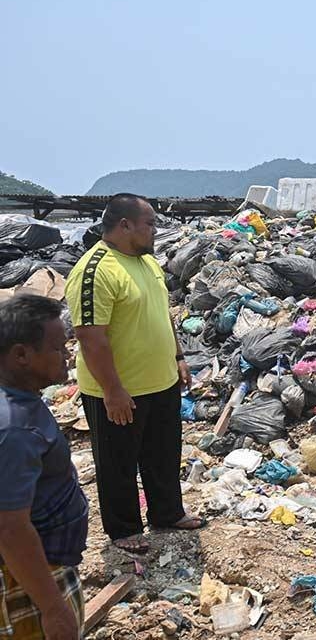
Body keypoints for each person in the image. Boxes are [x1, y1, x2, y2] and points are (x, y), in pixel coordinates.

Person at [65, 193, 203, 555]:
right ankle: (124, 528)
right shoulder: (95, 270)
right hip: (119, 389)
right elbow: (90, 338)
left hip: (161, 382)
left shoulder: (147, 262)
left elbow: (164, 313)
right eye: (150, 224)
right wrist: (113, 391)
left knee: (163, 454)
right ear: (125, 225)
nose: (155, 231)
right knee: (118, 463)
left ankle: (167, 512)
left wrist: (178, 357)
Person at [0, 295, 88, 640]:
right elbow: (10, 528)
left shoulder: (21, 401)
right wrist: (53, 608)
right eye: (57, 348)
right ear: (21, 355)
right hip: (34, 576)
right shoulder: (14, 429)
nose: (67, 356)